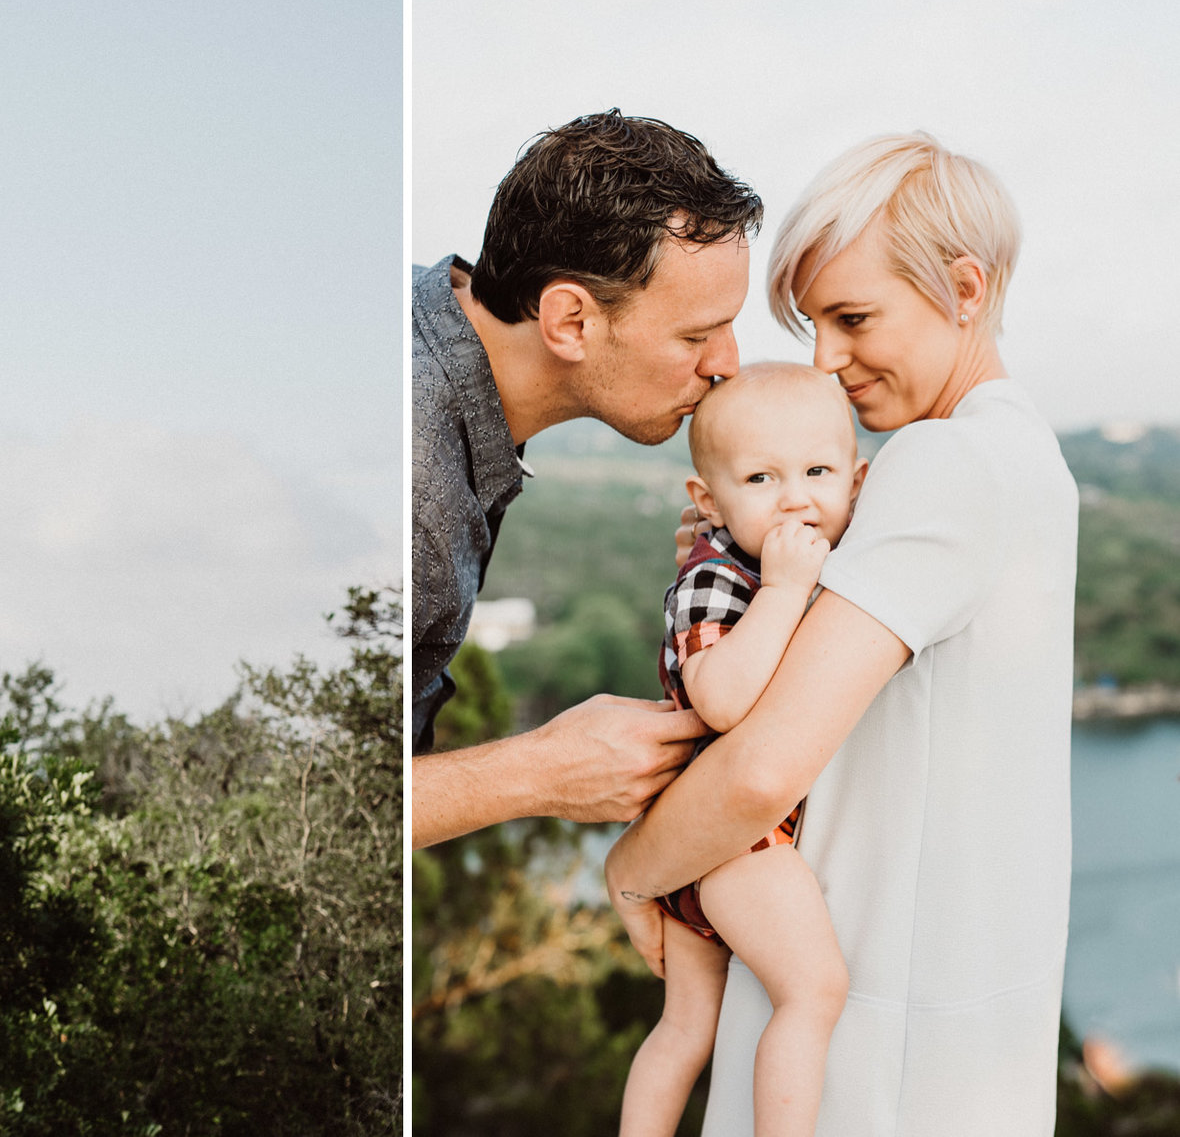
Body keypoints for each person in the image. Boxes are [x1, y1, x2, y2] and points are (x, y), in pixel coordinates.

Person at [604, 132, 1071, 1133]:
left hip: (876, 1058)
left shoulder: (941, 465)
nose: (824, 358)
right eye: (814, 322)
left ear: (962, 286)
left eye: (853, 316)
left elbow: (761, 771)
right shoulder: (1026, 456)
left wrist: (631, 865)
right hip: (957, 1047)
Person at [411, 110, 761, 847]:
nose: (726, 361)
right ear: (570, 320)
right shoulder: (416, 490)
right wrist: (539, 771)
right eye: (697, 334)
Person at [618, 365, 863, 1137]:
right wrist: (787, 592)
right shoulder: (716, 579)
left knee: (689, 1029)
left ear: (856, 480)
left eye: (818, 472)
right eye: (761, 477)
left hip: (705, 840)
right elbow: (720, 698)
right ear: (710, 500)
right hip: (730, 842)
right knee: (814, 990)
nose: (796, 497)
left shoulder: (795, 548)